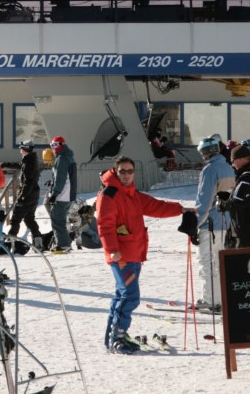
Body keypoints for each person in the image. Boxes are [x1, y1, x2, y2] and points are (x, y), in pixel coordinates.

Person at [96, 156, 185, 354]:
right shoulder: (109, 195)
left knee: (122, 295)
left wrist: (182, 209)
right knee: (130, 296)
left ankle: (113, 337)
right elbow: (104, 225)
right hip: (121, 257)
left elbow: (156, 206)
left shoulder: (132, 194)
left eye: (130, 171)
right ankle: (117, 337)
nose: (126, 175)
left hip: (135, 253)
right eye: (122, 171)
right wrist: (112, 250)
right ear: (116, 171)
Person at [192, 136, 236, 312]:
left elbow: (205, 199)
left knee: (206, 261)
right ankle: (221, 298)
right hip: (225, 222)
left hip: (210, 223)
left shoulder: (209, 170)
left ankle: (209, 298)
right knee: (219, 262)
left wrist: (195, 223)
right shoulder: (227, 167)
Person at [5, 140, 45, 250]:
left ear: (25, 149)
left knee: (16, 219)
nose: (20, 151)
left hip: (27, 196)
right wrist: (5, 165)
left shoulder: (29, 163)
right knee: (29, 219)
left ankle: (10, 242)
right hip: (33, 195)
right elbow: (20, 166)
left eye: (21, 148)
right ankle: (38, 241)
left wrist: (22, 196)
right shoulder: (30, 160)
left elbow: (28, 182)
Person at [47, 135, 77, 252]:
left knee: (57, 219)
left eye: (55, 145)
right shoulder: (67, 156)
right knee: (59, 219)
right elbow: (63, 175)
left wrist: (55, 194)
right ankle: (65, 243)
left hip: (63, 194)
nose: (53, 148)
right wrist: (52, 181)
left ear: (61, 145)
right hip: (68, 194)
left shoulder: (62, 158)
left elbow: (61, 178)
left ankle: (64, 245)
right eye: (52, 145)